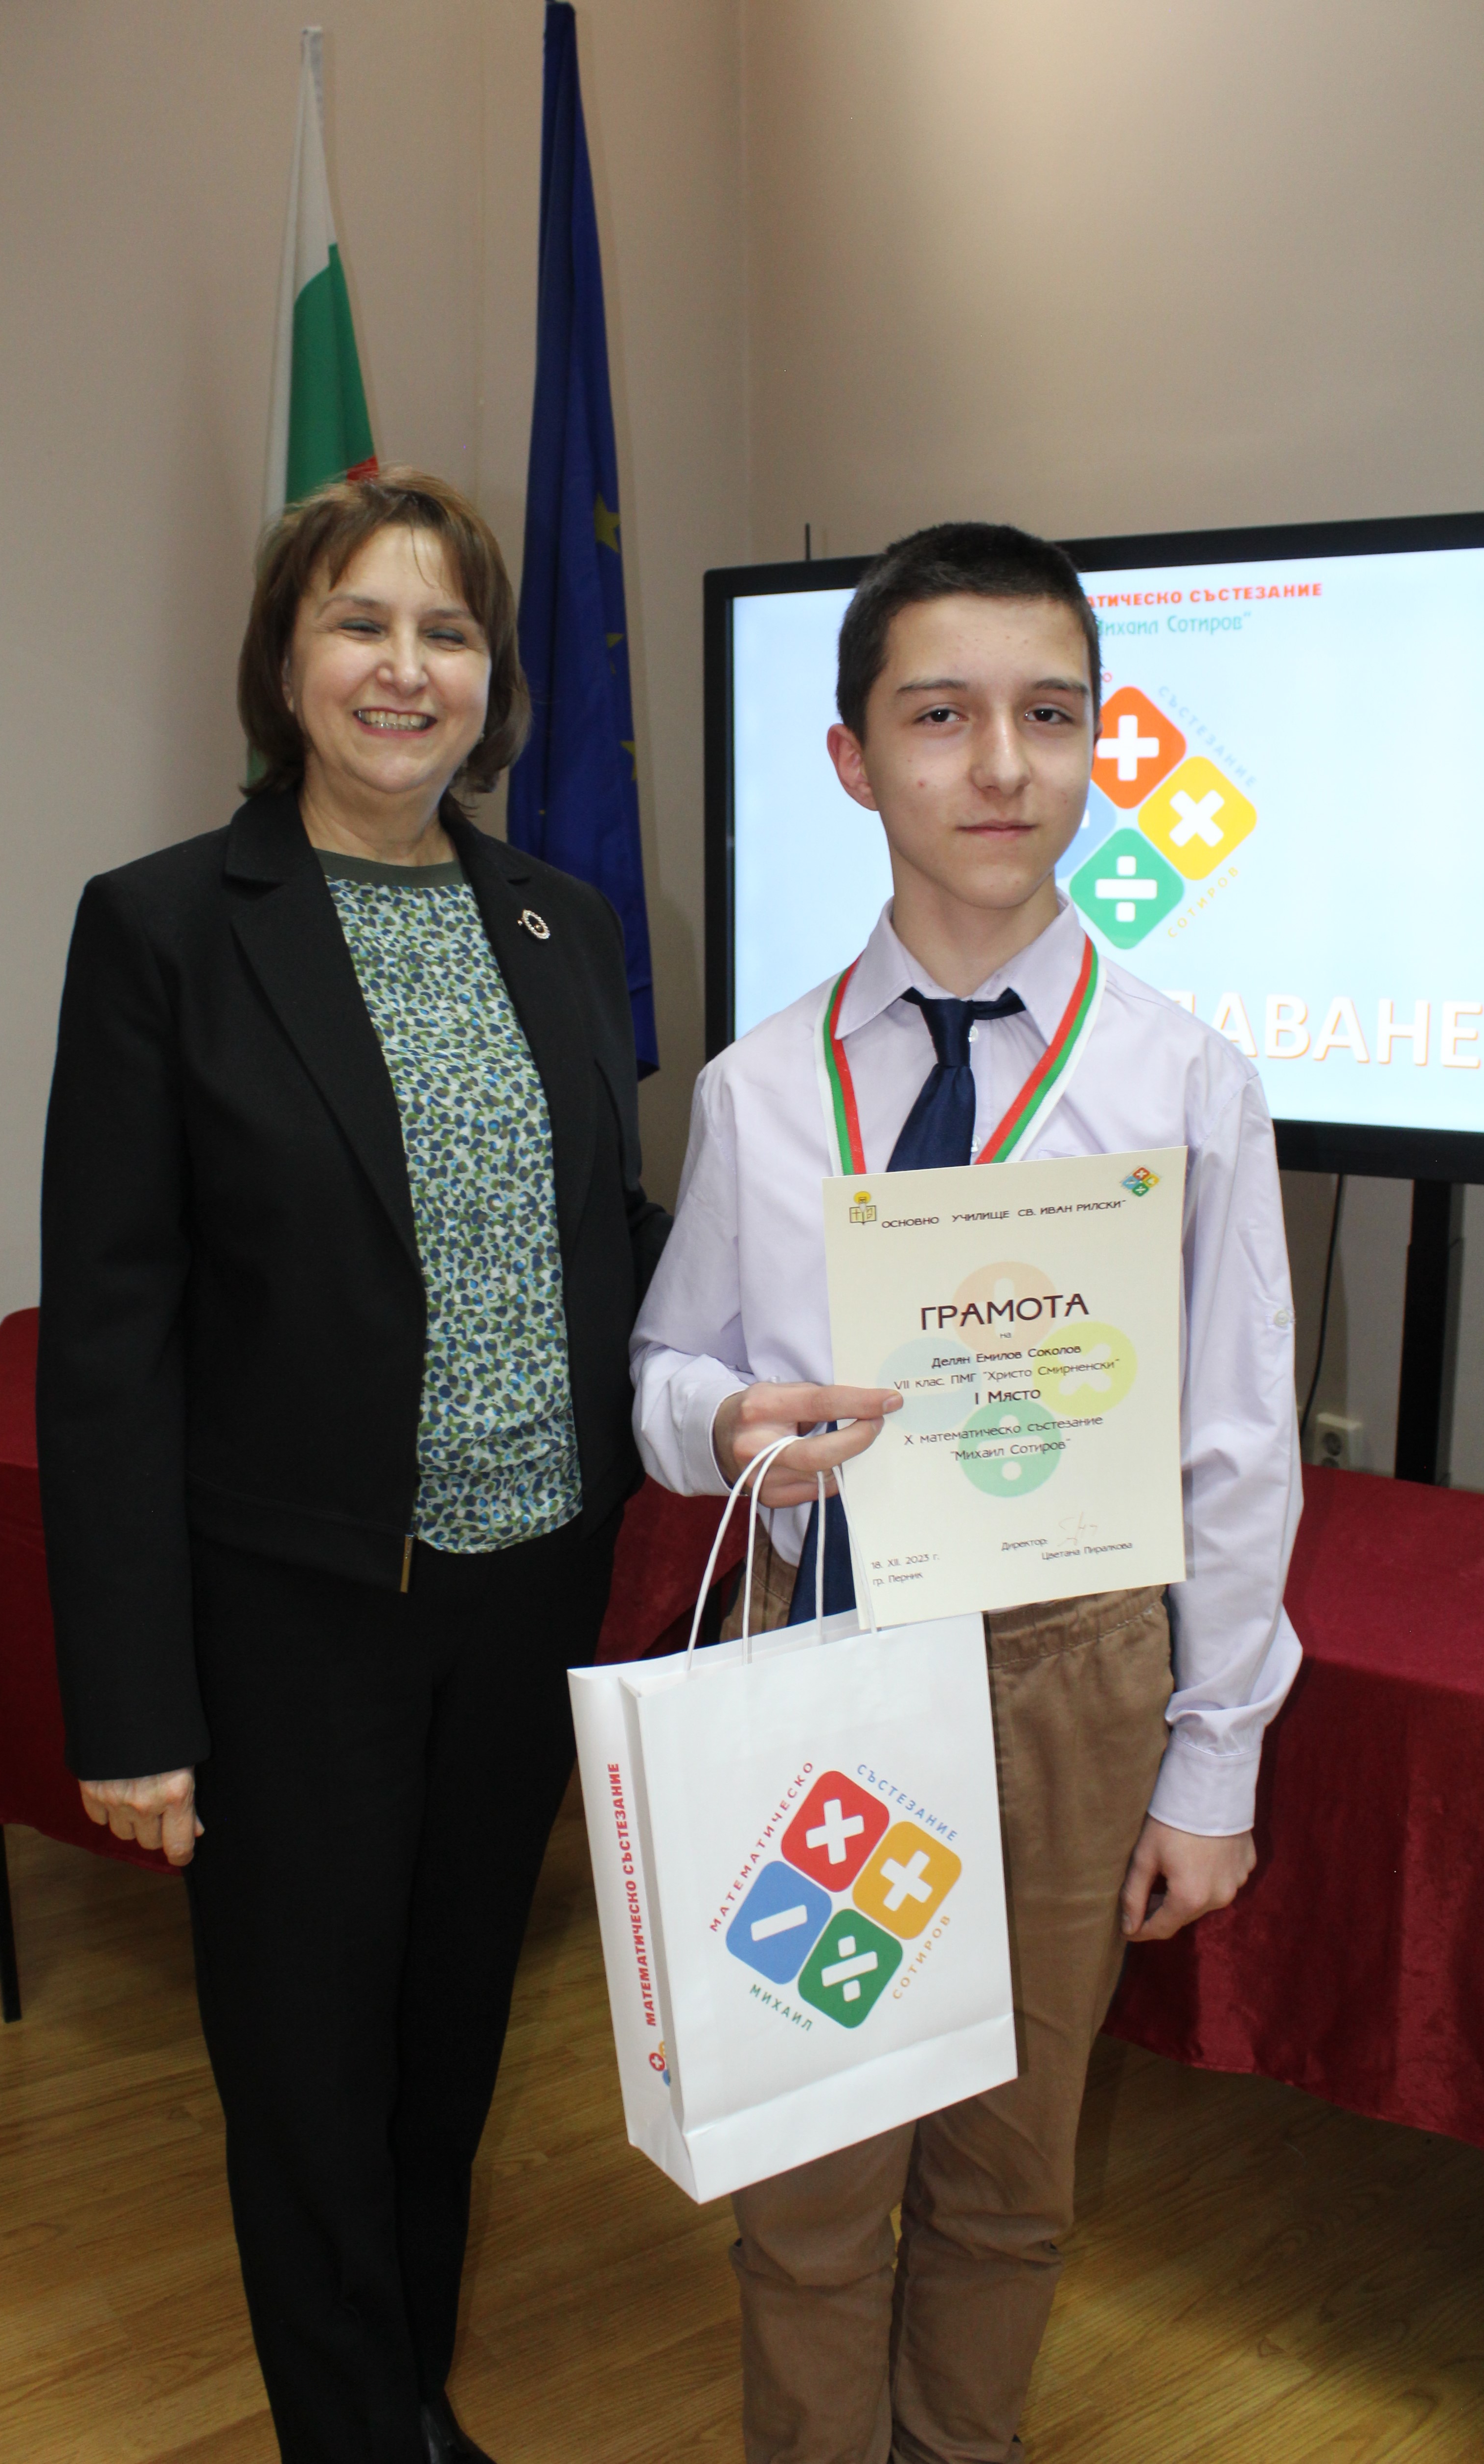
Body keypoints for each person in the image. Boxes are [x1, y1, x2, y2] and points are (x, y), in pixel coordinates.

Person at [631, 521, 1302, 2464]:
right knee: (809, 2179)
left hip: (1069, 1674)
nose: (1001, 764)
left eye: (1049, 715)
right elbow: (665, 1371)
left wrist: (1211, 1762)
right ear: (853, 759)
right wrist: (726, 1422)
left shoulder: (1184, 1083)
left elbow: (1237, 1442)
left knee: (1011, 2170)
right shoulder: (762, 1088)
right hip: (820, 1651)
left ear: (1098, 742)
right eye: (939, 717)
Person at [37, 470, 668, 2464]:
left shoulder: (562, 920)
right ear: (285, 660)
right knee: (305, 2068)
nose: (407, 669)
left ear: (493, 676)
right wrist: (133, 1705)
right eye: (360, 622)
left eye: (447, 631)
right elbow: (111, 1342)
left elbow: (606, 1237)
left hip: (523, 1600)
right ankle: (350, 2429)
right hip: (293, 1620)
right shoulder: (163, 928)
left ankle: (403, 2392)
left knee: (446, 2036)